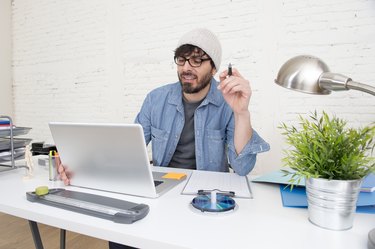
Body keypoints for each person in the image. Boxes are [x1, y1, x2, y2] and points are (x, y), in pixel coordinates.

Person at [58, 28, 270, 249]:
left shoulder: (228, 102)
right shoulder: (156, 99)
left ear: (214, 67)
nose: (187, 67)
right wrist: (82, 165)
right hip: (162, 193)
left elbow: (243, 167)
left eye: (197, 60)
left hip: (207, 201)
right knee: (121, 233)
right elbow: (125, 152)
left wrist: (241, 113)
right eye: (182, 59)